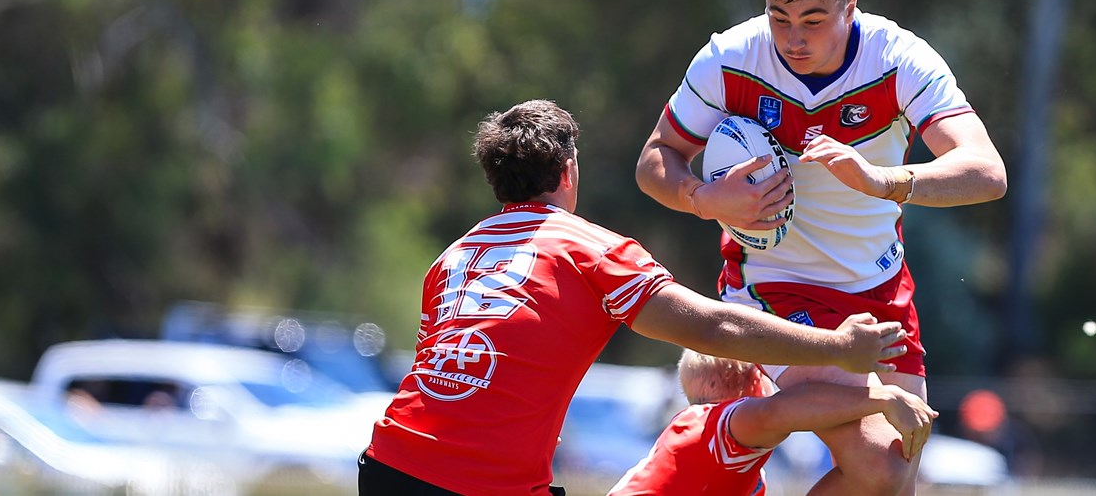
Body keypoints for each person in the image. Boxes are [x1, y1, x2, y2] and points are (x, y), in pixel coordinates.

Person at [363, 99, 911, 496]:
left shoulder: (453, 257)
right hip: (484, 484)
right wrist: (836, 346)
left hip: (388, 461)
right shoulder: (589, 249)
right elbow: (715, 327)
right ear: (568, 171)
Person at [635, 0, 1008, 494]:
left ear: (851, 5)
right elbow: (657, 158)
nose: (793, 39)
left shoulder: (897, 59)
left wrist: (882, 180)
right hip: (774, 288)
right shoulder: (731, 58)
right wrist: (703, 198)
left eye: (813, 19)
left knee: (895, 475)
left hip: (879, 288)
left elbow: (986, 172)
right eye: (779, 18)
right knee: (879, 462)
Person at [609, 350, 937, 496]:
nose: (778, 384)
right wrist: (884, 398)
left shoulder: (700, 439)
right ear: (750, 383)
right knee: (880, 473)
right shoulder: (714, 426)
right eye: (770, 376)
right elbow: (779, 412)